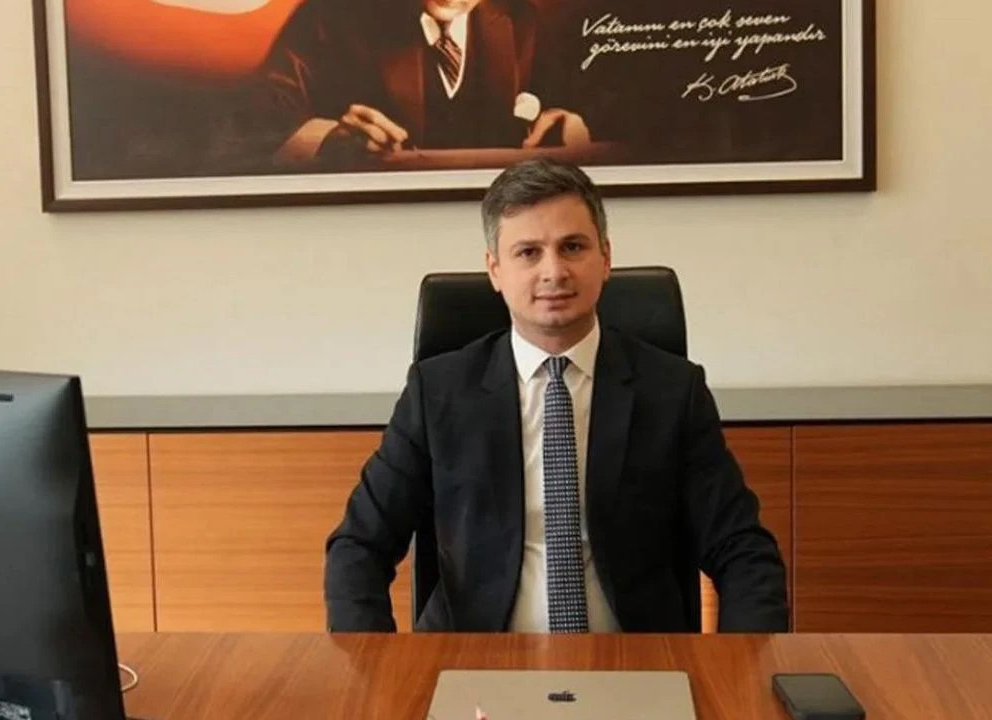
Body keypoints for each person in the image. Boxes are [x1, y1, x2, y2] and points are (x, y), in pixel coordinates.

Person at [324, 159, 788, 633]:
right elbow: (359, 546)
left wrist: (738, 668)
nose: (554, 271)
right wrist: (378, 667)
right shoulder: (438, 393)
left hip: (635, 662)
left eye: (572, 247)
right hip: (476, 662)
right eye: (528, 252)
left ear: (605, 258)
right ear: (495, 270)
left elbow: (742, 550)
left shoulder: (671, 391)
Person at [251, 0, 591, 164]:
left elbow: (565, 104)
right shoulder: (331, 15)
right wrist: (327, 138)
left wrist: (571, 129)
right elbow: (252, 129)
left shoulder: (519, 19)